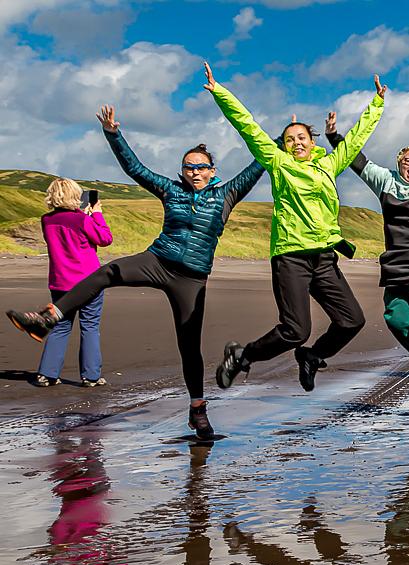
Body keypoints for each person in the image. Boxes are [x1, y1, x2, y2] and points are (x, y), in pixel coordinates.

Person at [7, 104, 267, 439]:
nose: (194, 172)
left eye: (201, 167)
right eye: (188, 167)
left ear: (212, 170)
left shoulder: (227, 194)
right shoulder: (171, 190)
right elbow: (135, 168)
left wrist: (284, 139)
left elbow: (261, 162)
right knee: (108, 272)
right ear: (182, 170)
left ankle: (197, 409)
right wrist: (113, 134)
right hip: (158, 260)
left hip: (190, 279)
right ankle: (48, 318)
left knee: (189, 345)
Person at [208, 62, 385, 394]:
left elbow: (355, 138)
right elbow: (248, 127)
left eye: (301, 137)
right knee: (295, 330)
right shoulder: (278, 164)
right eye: (290, 140)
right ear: (284, 145)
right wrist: (220, 92)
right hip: (291, 257)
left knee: (352, 320)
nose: (296, 143)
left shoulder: (329, 164)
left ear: (311, 141)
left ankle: (312, 356)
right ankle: (242, 356)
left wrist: (377, 104)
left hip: (324, 258)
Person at [324, 111, 409, 391]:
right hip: (397, 267)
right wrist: (333, 136)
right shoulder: (385, 180)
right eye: (408, 161)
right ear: (399, 163)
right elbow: (355, 159)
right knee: (397, 319)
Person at [25, 179, 114, 388]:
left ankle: (47, 374)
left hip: (60, 281)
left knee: (60, 326)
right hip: (88, 280)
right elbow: (105, 238)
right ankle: (91, 375)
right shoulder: (82, 219)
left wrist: (86, 216)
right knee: (90, 326)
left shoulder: (47, 220)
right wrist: (97, 214)